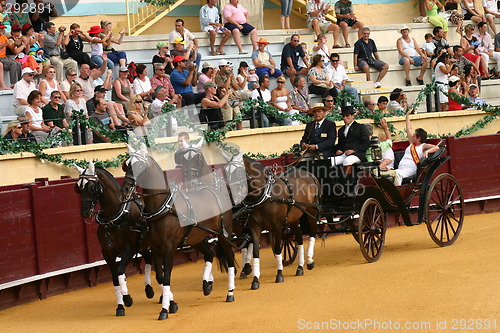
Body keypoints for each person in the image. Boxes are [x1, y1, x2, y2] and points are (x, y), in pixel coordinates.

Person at [393, 110, 439, 185]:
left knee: (397, 174)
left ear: (419, 138)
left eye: (414, 135)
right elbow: (408, 128)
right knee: (392, 174)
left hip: (411, 169)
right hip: (401, 168)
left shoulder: (423, 146)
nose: (412, 136)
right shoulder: (412, 143)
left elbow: (436, 148)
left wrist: (427, 151)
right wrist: (407, 116)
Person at [215, 59, 244, 129]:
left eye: (229, 66)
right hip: (226, 99)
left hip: (234, 97)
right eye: (226, 66)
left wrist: (231, 79)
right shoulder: (218, 76)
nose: (228, 68)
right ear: (221, 67)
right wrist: (228, 78)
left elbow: (236, 87)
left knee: (238, 118)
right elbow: (225, 87)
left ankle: (241, 131)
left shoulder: (231, 75)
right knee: (228, 119)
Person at [0, 22, 21, 89]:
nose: (2, 30)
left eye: (3, 28)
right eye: (1, 29)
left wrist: (15, 44)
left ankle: (19, 83)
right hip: (0, 58)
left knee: (18, 64)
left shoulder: (3, 37)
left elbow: (11, 47)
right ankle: (13, 84)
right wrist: (4, 44)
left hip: (4, 57)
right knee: (13, 64)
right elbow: (5, 44)